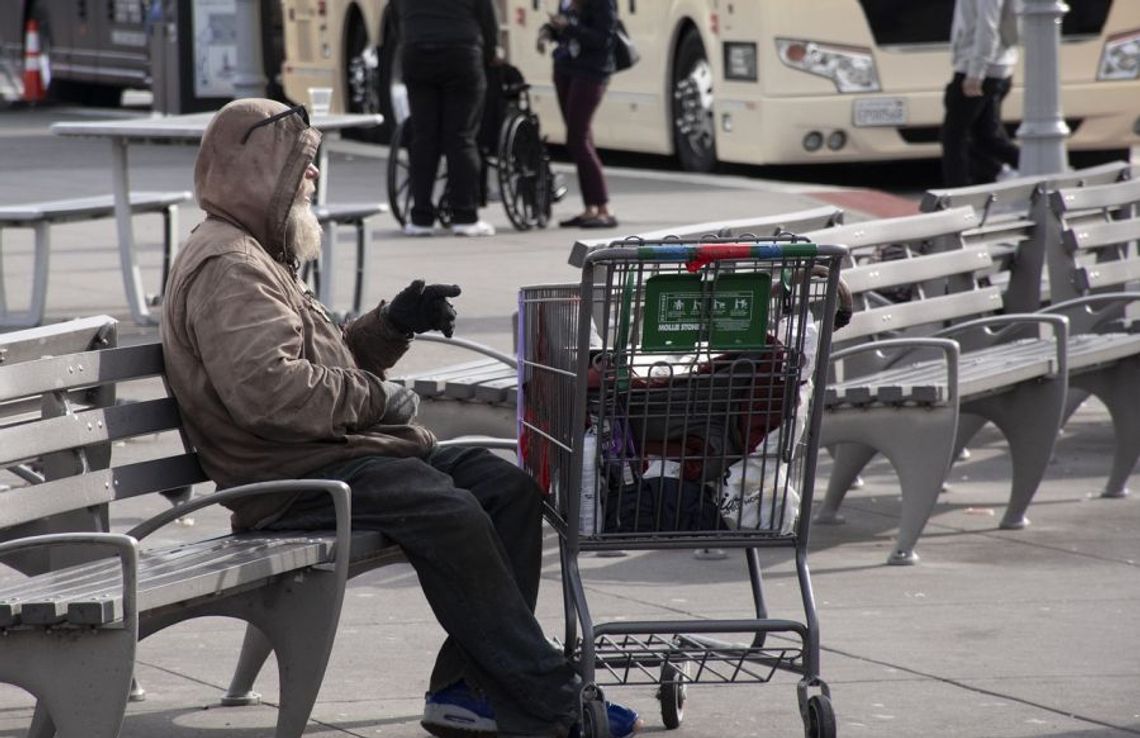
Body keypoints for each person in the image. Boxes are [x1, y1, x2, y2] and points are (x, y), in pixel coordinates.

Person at [160, 98, 641, 738]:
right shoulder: (230, 266)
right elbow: (271, 395)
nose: (312, 180)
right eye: (301, 167)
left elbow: (319, 367)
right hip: (286, 477)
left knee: (505, 489)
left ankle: (467, 689)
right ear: (257, 171)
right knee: (448, 510)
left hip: (328, 452)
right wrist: (378, 400)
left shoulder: (257, 251)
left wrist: (392, 326)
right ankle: (551, 701)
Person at [392, 0, 498, 237]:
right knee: (461, 137)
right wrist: (490, 52)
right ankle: (465, 216)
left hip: (416, 53)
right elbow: (487, 17)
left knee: (423, 137)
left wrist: (412, 39)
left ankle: (420, 218)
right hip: (461, 53)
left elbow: (394, 17)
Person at [539, 0, 619, 229]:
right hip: (565, 68)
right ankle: (590, 207)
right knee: (580, 138)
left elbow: (603, 38)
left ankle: (604, 207)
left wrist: (568, 27)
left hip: (591, 72)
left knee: (577, 137)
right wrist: (548, 32)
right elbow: (563, 28)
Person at [940, 0, 1021, 187]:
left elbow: (987, 27)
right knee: (986, 137)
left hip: (980, 70)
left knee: (953, 137)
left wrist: (976, 73)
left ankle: (957, 194)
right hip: (994, 67)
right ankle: (1017, 171)